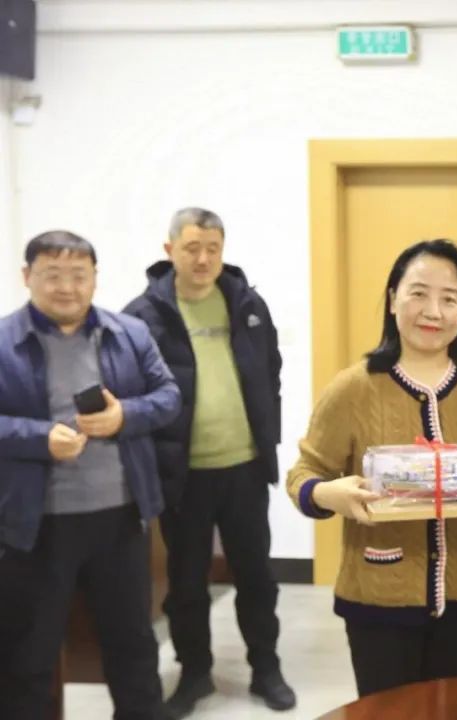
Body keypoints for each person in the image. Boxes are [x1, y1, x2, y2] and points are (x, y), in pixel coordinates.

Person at [286, 239, 457, 697]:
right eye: (418, 293)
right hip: (379, 599)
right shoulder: (352, 389)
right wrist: (329, 495)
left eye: (450, 299)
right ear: (393, 300)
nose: (433, 311)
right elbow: (303, 475)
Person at [0, 231, 181, 720]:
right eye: (52, 275)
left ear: (95, 279)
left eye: (78, 275)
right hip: (34, 527)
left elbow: (169, 397)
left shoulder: (129, 333)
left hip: (120, 520)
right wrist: (39, 438)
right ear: (27, 277)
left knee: (134, 649)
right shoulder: (3, 341)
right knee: (27, 657)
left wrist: (125, 416)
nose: (67, 287)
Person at [123, 208, 294, 716]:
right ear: (169, 249)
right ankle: (194, 671)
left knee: (256, 576)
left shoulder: (247, 303)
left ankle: (266, 667)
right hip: (183, 476)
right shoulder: (143, 316)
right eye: (192, 247)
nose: (203, 259)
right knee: (186, 583)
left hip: (244, 468)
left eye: (213, 248)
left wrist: (267, 436)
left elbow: (271, 372)